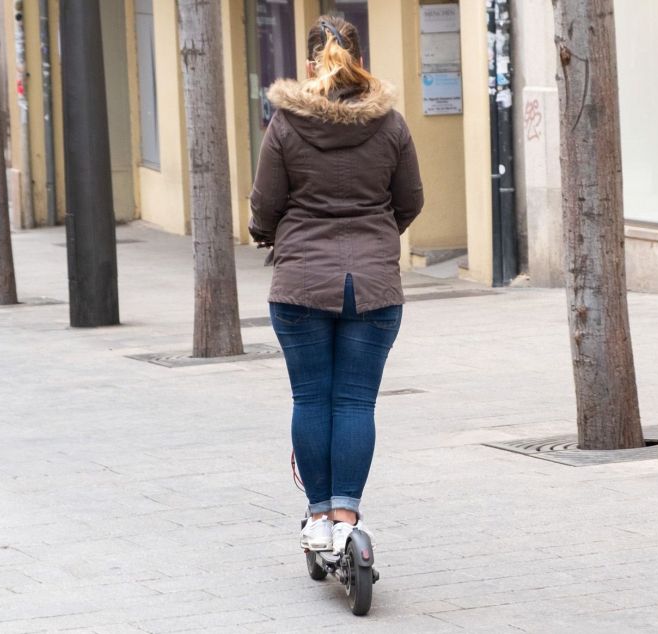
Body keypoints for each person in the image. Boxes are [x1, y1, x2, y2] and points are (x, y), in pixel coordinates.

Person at [249, 16, 424, 553]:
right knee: (354, 403)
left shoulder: (284, 125)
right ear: (360, 62)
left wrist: (267, 234)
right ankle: (348, 516)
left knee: (310, 398)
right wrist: (375, 239)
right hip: (373, 287)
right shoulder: (390, 125)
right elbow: (411, 199)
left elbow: (265, 206)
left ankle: (318, 518)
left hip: (300, 283)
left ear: (310, 66)